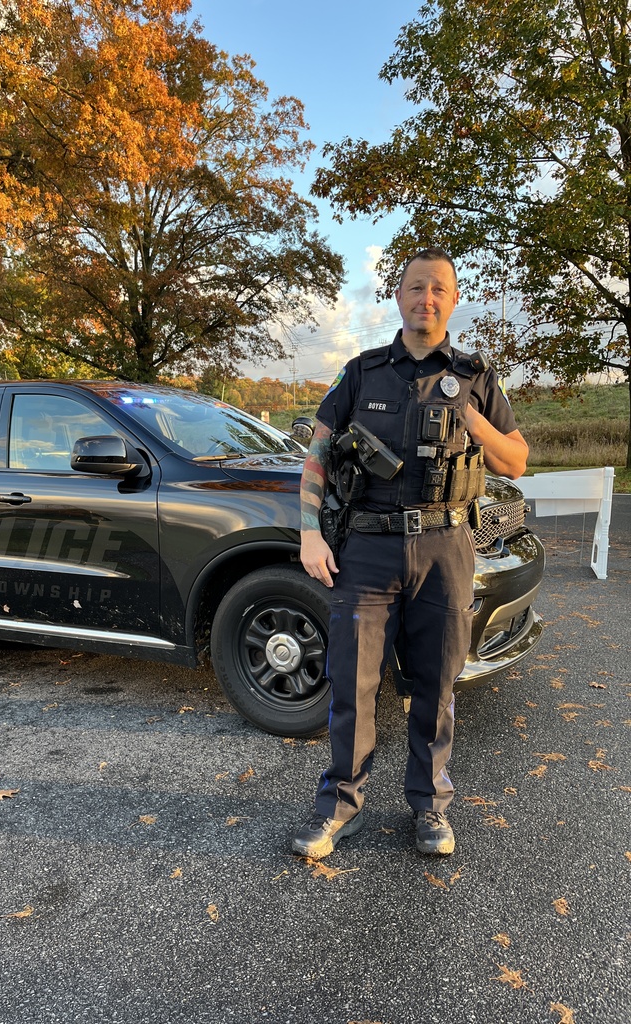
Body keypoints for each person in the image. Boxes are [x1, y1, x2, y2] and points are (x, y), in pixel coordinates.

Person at [292, 247, 528, 859]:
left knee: (438, 683)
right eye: (416, 287)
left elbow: (517, 462)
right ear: (398, 296)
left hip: (447, 548)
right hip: (367, 550)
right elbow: (317, 454)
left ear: (453, 301)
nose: (427, 298)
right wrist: (310, 532)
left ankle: (429, 807)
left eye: (439, 289)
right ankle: (339, 807)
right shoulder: (362, 371)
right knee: (353, 682)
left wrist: (470, 419)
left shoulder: (476, 377)